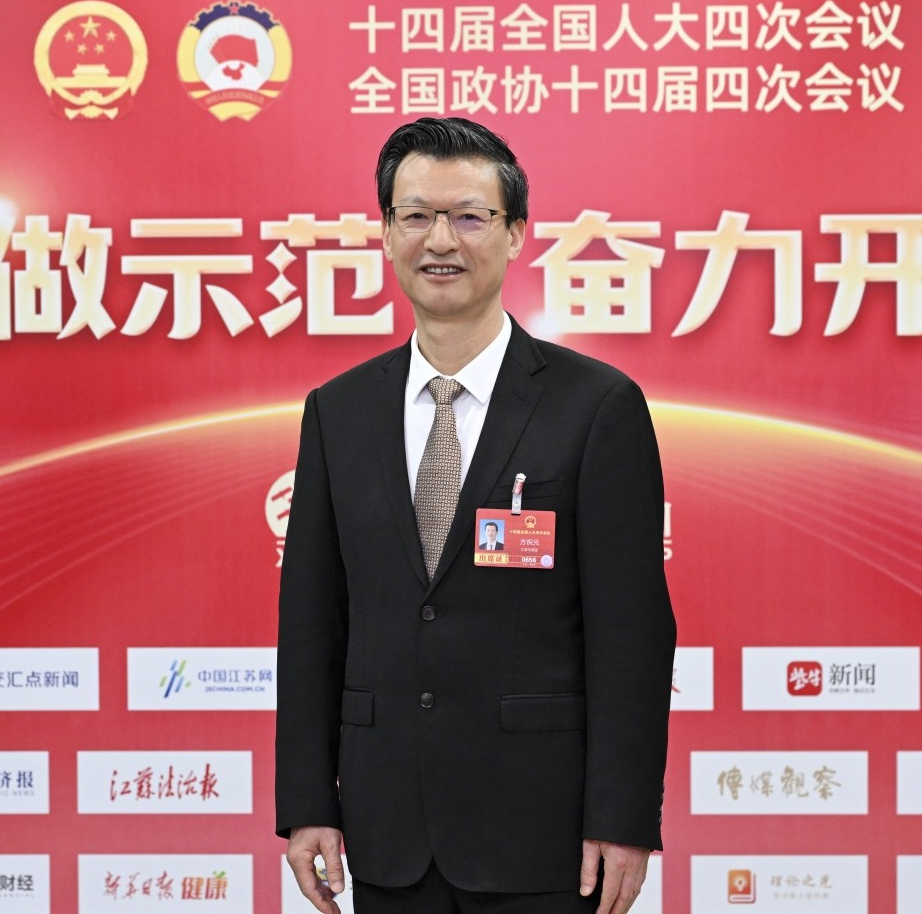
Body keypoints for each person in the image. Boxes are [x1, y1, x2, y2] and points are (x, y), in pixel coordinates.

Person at [277, 117, 675, 914]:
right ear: (385, 232)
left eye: (469, 216)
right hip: (389, 830)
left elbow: (631, 633)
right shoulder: (338, 412)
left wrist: (623, 817)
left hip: (543, 833)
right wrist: (308, 802)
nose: (440, 240)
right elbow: (313, 621)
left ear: (516, 232)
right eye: (415, 215)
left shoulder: (596, 407)